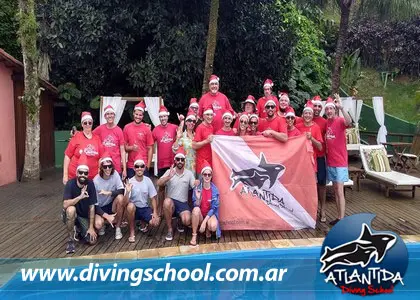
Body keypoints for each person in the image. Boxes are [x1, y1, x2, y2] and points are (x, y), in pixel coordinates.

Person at [157, 147, 198, 241]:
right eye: (178, 159)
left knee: (187, 220)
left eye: (182, 159)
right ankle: (170, 229)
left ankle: (179, 221)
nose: (180, 161)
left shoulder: (189, 173)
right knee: (167, 202)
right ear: (175, 160)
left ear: (184, 161)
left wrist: (196, 183)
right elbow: (158, 183)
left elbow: (193, 185)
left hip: (183, 203)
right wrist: (168, 177)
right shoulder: (169, 171)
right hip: (171, 202)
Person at [62, 154, 99, 254]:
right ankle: (70, 240)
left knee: (92, 240)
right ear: (77, 173)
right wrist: (80, 197)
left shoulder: (90, 184)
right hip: (70, 214)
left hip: (82, 216)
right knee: (71, 210)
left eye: (85, 173)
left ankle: (78, 229)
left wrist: (91, 227)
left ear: (88, 174)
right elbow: (65, 205)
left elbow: (92, 207)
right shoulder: (70, 184)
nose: (83, 175)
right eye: (81, 172)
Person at [324, 94, 352, 226]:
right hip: (331, 161)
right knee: (335, 190)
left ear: (334, 110)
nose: (329, 111)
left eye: (331, 109)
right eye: (327, 109)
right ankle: (339, 216)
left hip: (340, 162)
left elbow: (349, 122)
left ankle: (342, 219)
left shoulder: (340, 121)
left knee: (340, 190)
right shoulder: (327, 123)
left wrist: (341, 107)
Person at [124, 155, 160, 243]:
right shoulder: (130, 181)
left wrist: (155, 212)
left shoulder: (148, 180)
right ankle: (132, 232)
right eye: (137, 166)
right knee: (130, 206)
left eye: (141, 166)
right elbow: (124, 203)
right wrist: (128, 191)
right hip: (133, 209)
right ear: (134, 168)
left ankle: (142, 223)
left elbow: (153, 198)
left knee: (155, 222)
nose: (139, 168)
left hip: (144, 208)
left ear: (144, 168)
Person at [152, 105, 179, 215]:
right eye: (161, 117)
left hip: (173, 162)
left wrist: (181, 122)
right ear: (159, 118)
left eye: (164, 116)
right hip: (161, 163)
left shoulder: (174, 127)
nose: (163, 119)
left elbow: (182, 134)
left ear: (167, 117)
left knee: (174, 186)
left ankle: (172, 210)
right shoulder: (155, 130)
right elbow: (149, 143)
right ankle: (160, 209)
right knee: (161, 187)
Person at [93, 152, 126, 240]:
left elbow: (122, 190)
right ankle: (105, 222)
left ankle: (118, 227)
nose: (108, 168)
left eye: (109, 166)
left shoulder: (115, 174)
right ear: (101, 168)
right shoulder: (96, 181)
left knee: (120, 198)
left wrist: (110, 193)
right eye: (105, 166)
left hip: (111, 205)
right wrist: (106, 216)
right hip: (100, 207)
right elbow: (94, 205)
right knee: (98, 225)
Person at [63, 112, 102, 184]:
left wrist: (100, 170)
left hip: (93, 177)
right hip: (75, 176)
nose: (87, 125)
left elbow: (100, 157)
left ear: (92, 123)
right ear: (82, 124)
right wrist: (65, 175)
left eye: (89, 122)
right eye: (85, 123)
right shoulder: (76, 137)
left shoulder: (97, 138)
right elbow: (67, 156)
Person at [190, 161, 221, 246]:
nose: (207, 176)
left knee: (213, 226)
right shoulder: (197, 188)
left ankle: (207, 227)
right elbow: (196, 206)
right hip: (200, 214)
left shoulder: (215, 190)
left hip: (210, 215)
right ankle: (194, 236)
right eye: (205, 174)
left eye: (209, 175)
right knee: (195, 210)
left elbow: (213, 209)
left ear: (211, 176)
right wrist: (198, 198)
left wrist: (204, 222)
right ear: (202, 175)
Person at [93, 105, 127, 179]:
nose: (110, 116)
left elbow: (122, 150)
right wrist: (76, 134)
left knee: (117, 188)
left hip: (116, 165)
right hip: (104, 165)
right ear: (105, 116)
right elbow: (89, 135)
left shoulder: (119, 130)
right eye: (107, 114)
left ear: (114, 115)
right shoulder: (100, 129)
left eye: (111, 114)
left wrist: (124, 168)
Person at [123, 101, 154, 178]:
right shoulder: (127, 127)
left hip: (143, 165)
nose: (138, 117)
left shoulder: (146, 129)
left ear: (143, 116)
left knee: (144, 189)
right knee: (131, 188)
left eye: (140, 115)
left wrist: (148, 166)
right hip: (131, 165)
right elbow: (125, 148)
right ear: (133, 113)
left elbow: (150, 149)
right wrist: (131, 147)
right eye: (136, 114)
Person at [296, 101, 323, 184]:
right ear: (303, 115)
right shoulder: (298, 127)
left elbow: (320, 147)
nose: (307, 115)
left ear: (312, 115)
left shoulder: (316, 127)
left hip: (311, 162)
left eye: (309, 113)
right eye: (306, 113)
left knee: (312, 185)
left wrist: (311, 138)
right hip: (300, 162)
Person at [312, 95, 328, 223]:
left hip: (320, 156)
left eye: (319, 106)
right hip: (307, 158)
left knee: (321, 184)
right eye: (315, 106)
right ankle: (312, 209)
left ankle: (323, 209)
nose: (316, 108)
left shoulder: (324, 122)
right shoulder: (304, 119)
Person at [173, 109, 197, 177]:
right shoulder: (182, 135)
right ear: (186, 122)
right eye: (189, 120)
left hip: (195, 168)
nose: (191, 123)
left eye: (194, 121)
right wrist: (177, 138)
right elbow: (175, 149)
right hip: (184, 168)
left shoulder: (197, 136)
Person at [192, 104, 214, 176]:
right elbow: (194, 145)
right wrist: (206, 141)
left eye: (211, 115)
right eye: (207, 115)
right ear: (204, 116)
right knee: (201, 185)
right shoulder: (200, 127)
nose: (209, 117)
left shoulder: (211, 127)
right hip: (201, 163)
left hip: (209, 162)